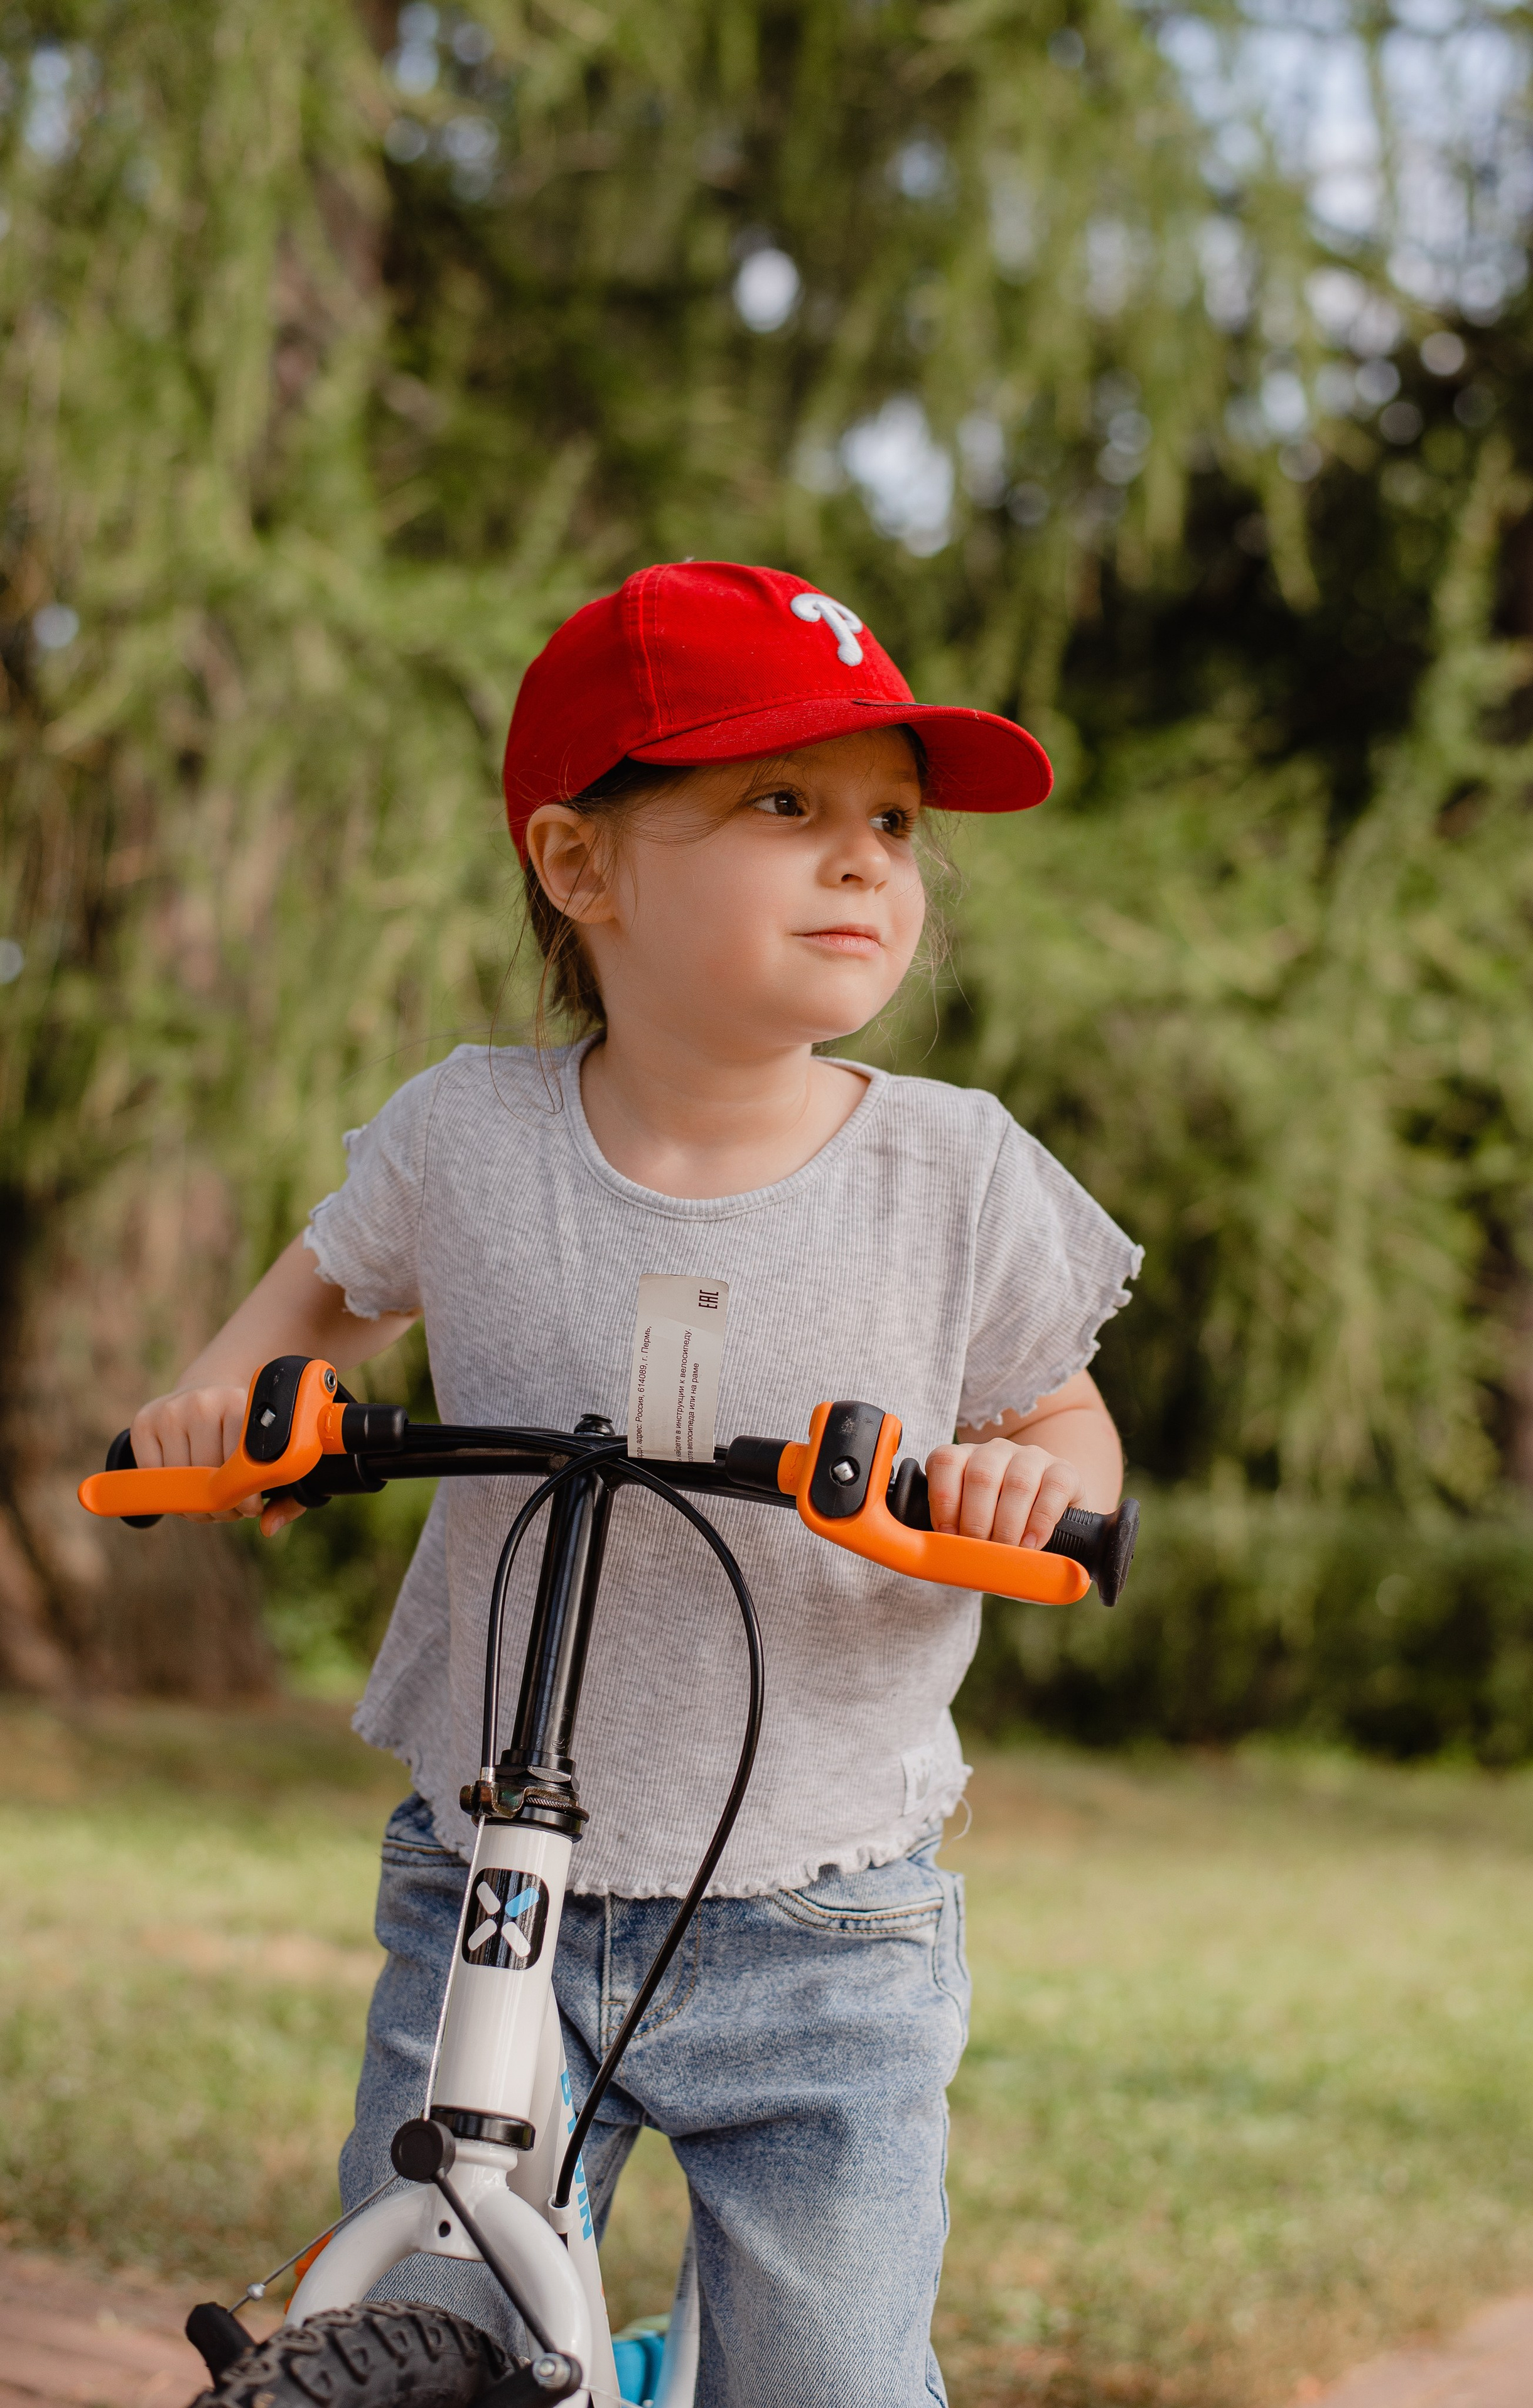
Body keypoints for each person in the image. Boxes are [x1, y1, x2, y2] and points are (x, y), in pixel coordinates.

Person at [130, 562, 1141, 2408]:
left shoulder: (955, 1171)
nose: (865, 863)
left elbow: (1071, 1433)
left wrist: (1017, 1481)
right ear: (580, 865)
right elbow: (305, 1322)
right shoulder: (468, 1134)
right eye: (785, 805)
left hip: (822, 1911)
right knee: (422, 2323)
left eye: (893, 823)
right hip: (488, 1884)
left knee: (824, 2376)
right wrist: (228, 1408)